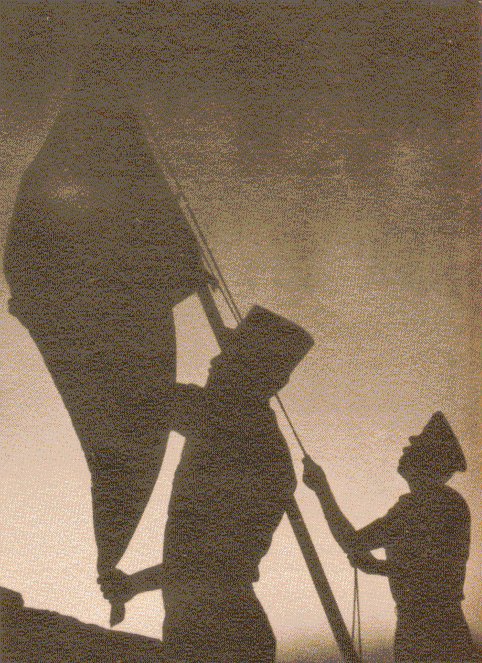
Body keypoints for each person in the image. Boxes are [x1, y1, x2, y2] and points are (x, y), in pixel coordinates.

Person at [100, 306, 313, 663]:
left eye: (232, 357)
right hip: (224, 627)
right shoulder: (254, 437)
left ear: (258, 376)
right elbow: (206, 567)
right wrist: (133, 585)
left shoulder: (229, 423)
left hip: (212, 634)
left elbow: (136, 395)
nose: (214, 361)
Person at [302, 412, 478, 662]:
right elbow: (425, 570)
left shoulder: (421, 505)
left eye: (415, 446)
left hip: (423, 632)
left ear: (428, 460)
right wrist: (376, 567)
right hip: (439, 627)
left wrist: (322, 489)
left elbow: (352, 542)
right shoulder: (447, 502)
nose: (406, 448)